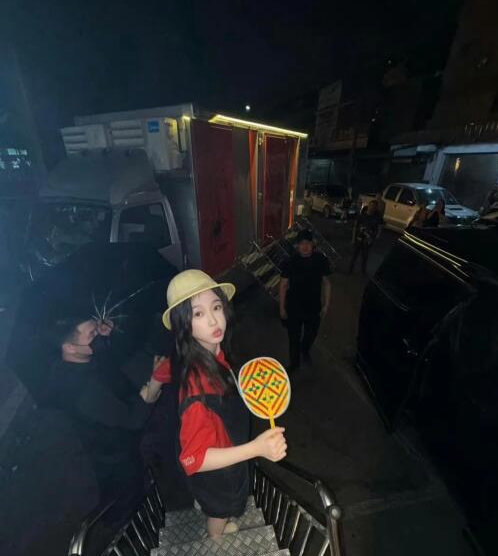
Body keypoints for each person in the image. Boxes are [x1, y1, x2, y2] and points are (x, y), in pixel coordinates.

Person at [141, 269, 287, 537]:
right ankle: (215, 539)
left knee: (213, 500)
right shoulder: (197, 388)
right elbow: (193, 460)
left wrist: (150, 391)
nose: (213, 320)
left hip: (222, 448)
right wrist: (257, 448)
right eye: (198, 314)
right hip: (219, 470)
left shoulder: (204, 351)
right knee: (221, 511)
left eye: (216, 307)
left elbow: (165, 369)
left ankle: (205, 502)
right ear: (183, 324)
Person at [49, 315, 155, 503]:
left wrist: (108, 335)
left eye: (96, 328)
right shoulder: (83, 390)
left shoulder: (83, 358)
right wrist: (152, 389)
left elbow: (119, 357)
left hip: (121, 436)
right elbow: (131, 419)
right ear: (70, 347)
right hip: (118, 455)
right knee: (135, 499)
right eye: (92, 334)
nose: (97, 335)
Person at [279, 229, 331, 373]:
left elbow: (327, 282)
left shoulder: (321, 260)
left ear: (313, 244)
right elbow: (283, 285)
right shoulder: (289, 262)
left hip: (313, 307)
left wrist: (326, 305)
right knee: (293, 338)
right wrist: (282, 308)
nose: (305, 246)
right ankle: (294, 363)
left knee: (311, 335)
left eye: (308, 243)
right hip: (294, 308)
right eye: (302, 243)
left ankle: (305, 350)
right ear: (297, 245)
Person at [348, 200, 381, 276]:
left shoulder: (376, 218)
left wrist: (372, 238)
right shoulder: (361, 216)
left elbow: (376, 230)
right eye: (371, 206)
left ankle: (363, 271)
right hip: (359, 239)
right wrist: (353, 238)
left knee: (365, 257)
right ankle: (350, 270)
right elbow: (355, 227)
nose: (372, 208)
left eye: (374, 207)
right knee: (354, 256)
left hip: (367, 241)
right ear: (368, 206)